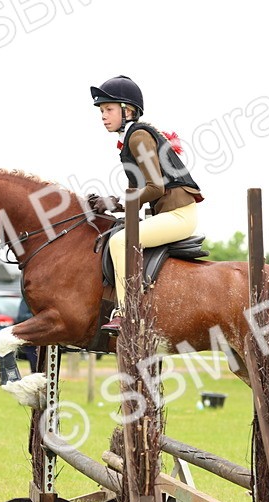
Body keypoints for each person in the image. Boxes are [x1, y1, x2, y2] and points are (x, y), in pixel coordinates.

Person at [87, 75, 203, 334]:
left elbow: (155, 188)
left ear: (127, 111)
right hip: (171, 212)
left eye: (108, 109)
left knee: (120, 241)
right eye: (101, 111)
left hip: (179, 215)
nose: (103, 116)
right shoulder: (132, 137)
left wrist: (120, 201)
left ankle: (128, 310)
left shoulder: (138, 137)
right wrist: (115, 204)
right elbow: (143, 192)